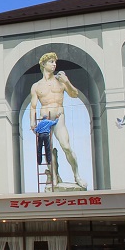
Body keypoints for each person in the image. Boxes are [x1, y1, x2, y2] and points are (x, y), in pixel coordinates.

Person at [29, 52, 86, 188]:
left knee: (66, 146)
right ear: (43, 64)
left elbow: (74, 94)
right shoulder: (36, 86)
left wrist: (67, 81)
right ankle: (54, 176)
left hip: (59, 116)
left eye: (55, 62)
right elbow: (33, 106)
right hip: (44, 118)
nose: (54, 64)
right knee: (48, 149)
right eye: (51, 62)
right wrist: (32, 122)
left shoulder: (60, 80)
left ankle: (77, 175)